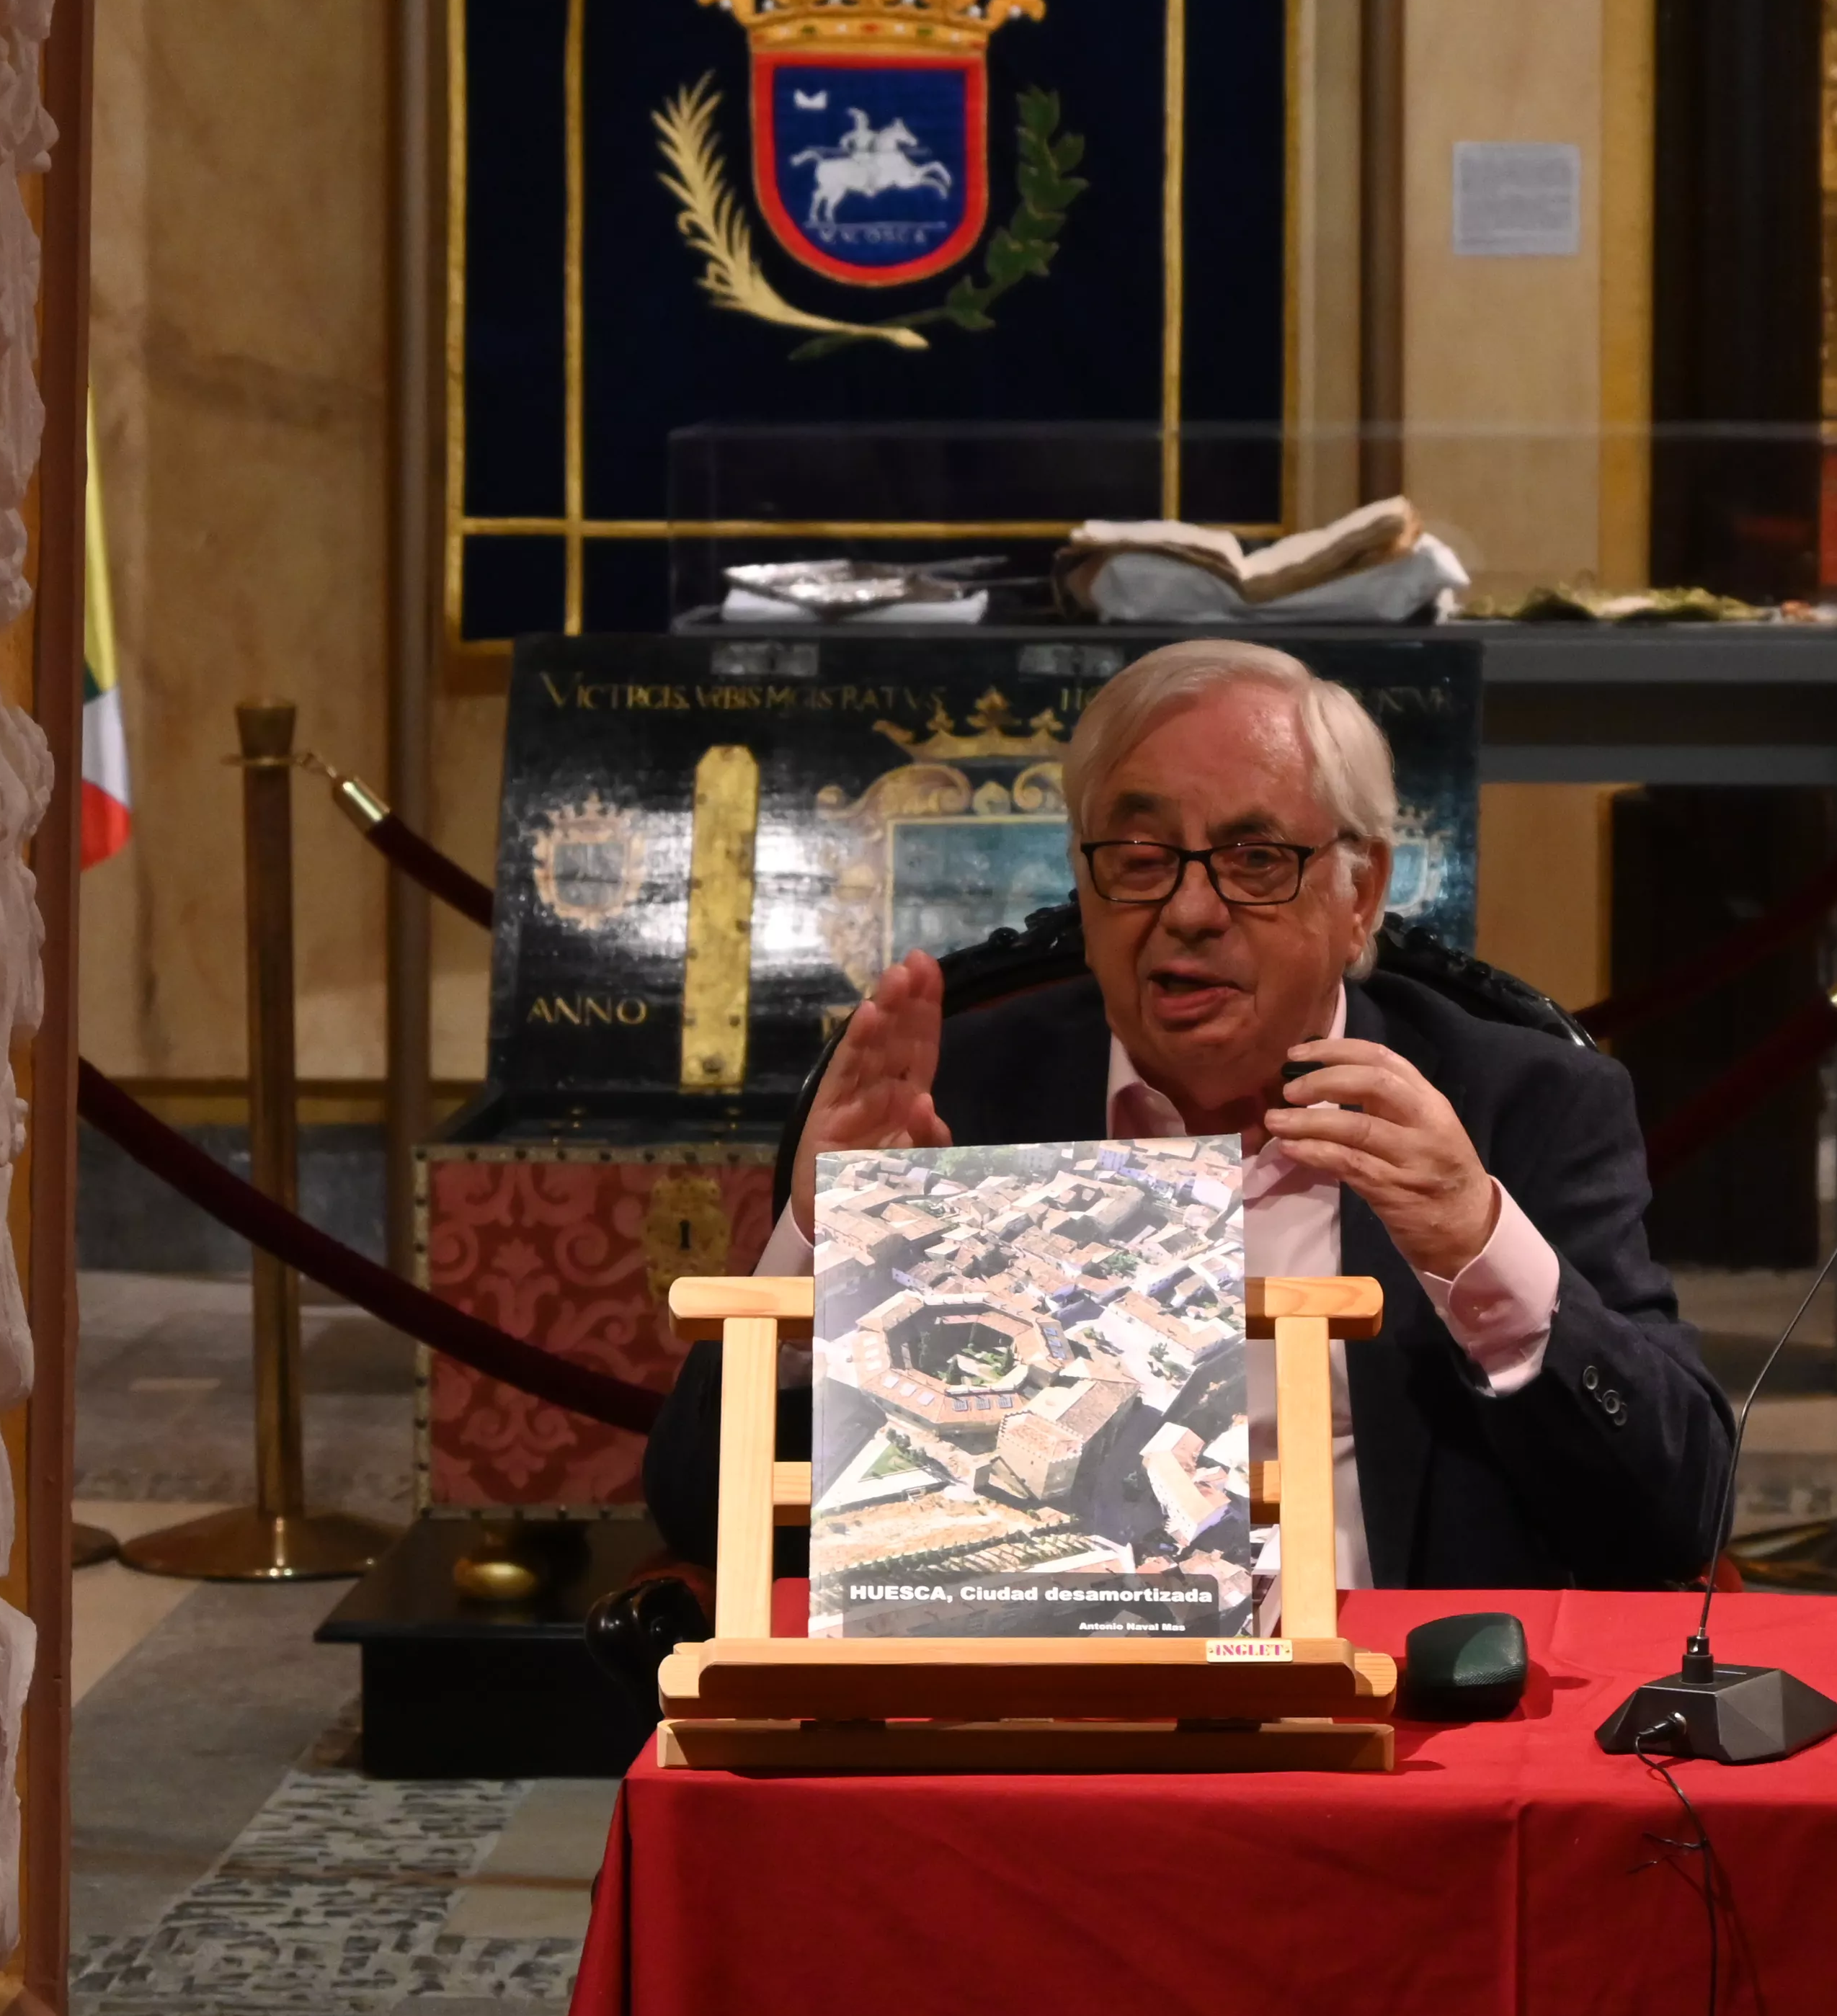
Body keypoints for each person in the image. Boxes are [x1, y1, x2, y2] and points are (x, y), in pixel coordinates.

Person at [640, 639, 1733, 1590]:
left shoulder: (1518, 1108)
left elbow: (1676, 1515)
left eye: (1257, 860)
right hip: (1022, 1736)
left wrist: (1479, 1245)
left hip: (1404, 1736)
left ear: (1360, 897)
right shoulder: (949, 1105)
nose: (1191, 910)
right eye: (1141, 858)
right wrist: (820, 1255)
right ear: (1084, 880)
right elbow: (699, 1511)